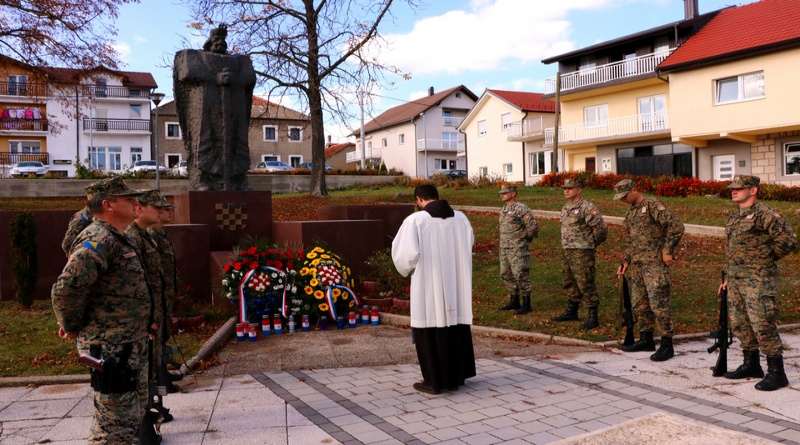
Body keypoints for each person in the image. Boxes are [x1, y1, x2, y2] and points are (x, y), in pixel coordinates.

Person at [51, 177, 150, 444]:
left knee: (129, 421)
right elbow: (66, 288)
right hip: (111, 349)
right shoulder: (98, 239)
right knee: (113, 430)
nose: (135, 203)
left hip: (129, 344)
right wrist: (72, 325)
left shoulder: (119, 237)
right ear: (108, 205)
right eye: (128, 199)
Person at [392, 184, 476, 394]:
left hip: (428, 285)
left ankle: (434, 382)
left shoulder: (416, 220)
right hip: (456, 285)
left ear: (419, 200)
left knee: (430, 325)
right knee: (455, 326)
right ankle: (456, 377)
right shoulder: (461, 218)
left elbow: (405, 256)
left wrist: (407, 270)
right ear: (437, 197)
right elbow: (470, 243)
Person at [720, 175, 797, 391]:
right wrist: (726, 277)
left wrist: (766, 258)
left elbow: (788, 242)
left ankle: (777, 373)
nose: (733, 191)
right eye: (732, 188)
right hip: (735, 279)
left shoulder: (766, 214)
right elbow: (731, 250)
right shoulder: (735, 218)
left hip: (758, 280)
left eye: (739, 188)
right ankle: (751, 364)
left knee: (762, 324)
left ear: (753, 190)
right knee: (740, 323)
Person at [173, 23, 256, 191]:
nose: (219, 43)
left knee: (237, 140)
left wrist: (233, 78)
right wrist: (215, 77)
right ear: (209, 42)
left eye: (222, 39)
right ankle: (203, 180)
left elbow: (249, 77)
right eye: (216, 39)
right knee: (204, 139)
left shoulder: (239, 61)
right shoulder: (197, 56)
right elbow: (186, 71)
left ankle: (238, 180)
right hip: (205, 107)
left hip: (233, 108)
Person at [614, 179, 684, 361]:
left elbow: (676, 226)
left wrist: (667, 250)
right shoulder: (631, 212)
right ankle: (646, 339)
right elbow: (631, 240)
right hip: (637, 264)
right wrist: (625, 261)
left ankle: (667, 344)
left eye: (624, 195)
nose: (622, 200)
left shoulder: (652, 205)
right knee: (640, 303)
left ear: (635, 190)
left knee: (659, 304)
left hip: (654, 264)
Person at [551, 179, 608, 329]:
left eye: (570, 188)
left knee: (585, 282)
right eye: (565, 188)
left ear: (579, 189)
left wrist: (590, 243)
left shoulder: (587, 208)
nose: (566, 190)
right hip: (567, 250)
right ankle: (572, 311)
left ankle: (593, 315)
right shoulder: (565, 208)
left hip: (582, 251)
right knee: (569, 281)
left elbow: (601, 230)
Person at [496, 184, 539, 315]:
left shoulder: (521, 209)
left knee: (521, 274)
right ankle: (514, 300)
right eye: (501, 193)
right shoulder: (503, 209)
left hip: (518, 248)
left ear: (513, 193)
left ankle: (526, 303)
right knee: (505, 274)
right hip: (504, 248)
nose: (502, 194)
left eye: (505, 192)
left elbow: (533, 227)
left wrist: (525, 239)